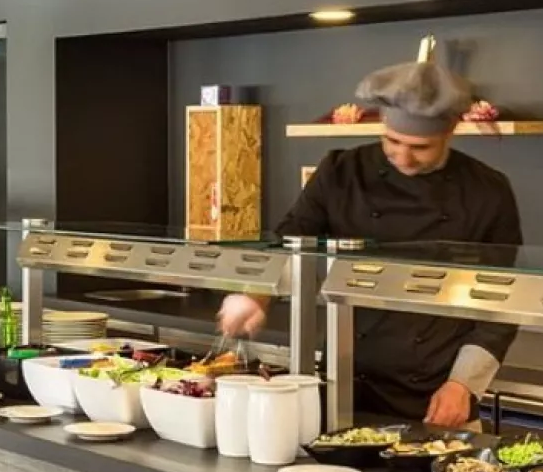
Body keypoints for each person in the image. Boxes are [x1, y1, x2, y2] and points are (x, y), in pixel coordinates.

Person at [218, 60, 522, 426]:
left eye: (421, 147)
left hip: (435, 391)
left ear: (451, 131)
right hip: (343, 382)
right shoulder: (340, 172)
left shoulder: (487, 190)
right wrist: (254, 295)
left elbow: (501, 299)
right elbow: (290, 241)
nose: (403, 157)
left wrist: (465, 383)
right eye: (392, 141)